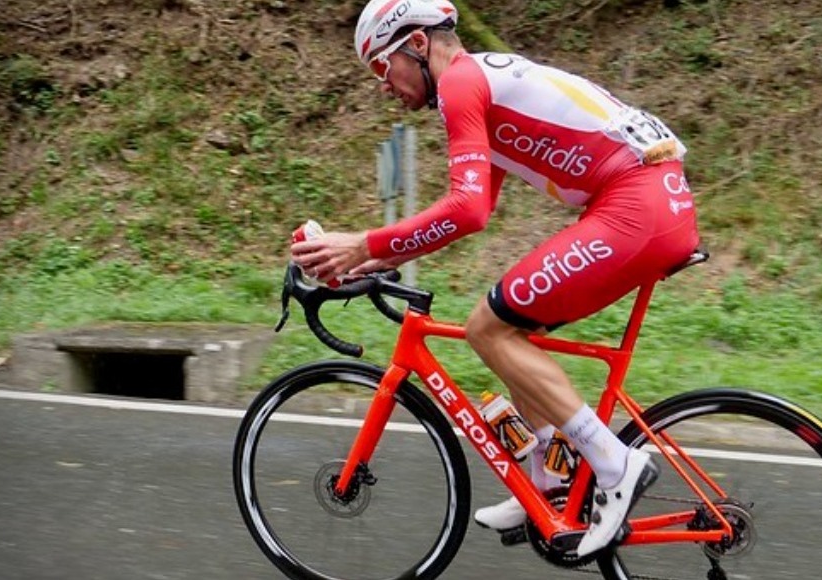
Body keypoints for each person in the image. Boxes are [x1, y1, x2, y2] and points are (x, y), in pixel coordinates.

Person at [290, 0, 700, 557]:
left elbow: (468, 210)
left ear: (415, 43)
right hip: (649, 200)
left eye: (383, 69)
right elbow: (475, 205)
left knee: (490, 328)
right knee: (513, 320)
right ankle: (550, 479)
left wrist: (365, 242)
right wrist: (375, 258)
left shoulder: (462, 83)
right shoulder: (485, 78)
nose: (384, 87)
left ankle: (615, 464)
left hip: (635, 206)